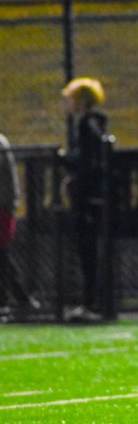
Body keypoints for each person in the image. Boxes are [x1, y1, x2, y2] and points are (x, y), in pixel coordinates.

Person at [61, 77, 109, 320]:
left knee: (88, 252)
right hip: (95, 197)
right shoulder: (97, 123)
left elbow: (88, 160)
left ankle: (92, 304)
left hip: (88, 199)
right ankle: (94, 302)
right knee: (92, 252)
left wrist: (68, 162)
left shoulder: (86, 124)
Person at [0, 134, 40, 322]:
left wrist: (10, 205)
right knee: (3, 256)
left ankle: (10, 301)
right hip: (4, 206)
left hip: (1, 207)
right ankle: (20, 298)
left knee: (2, 256)